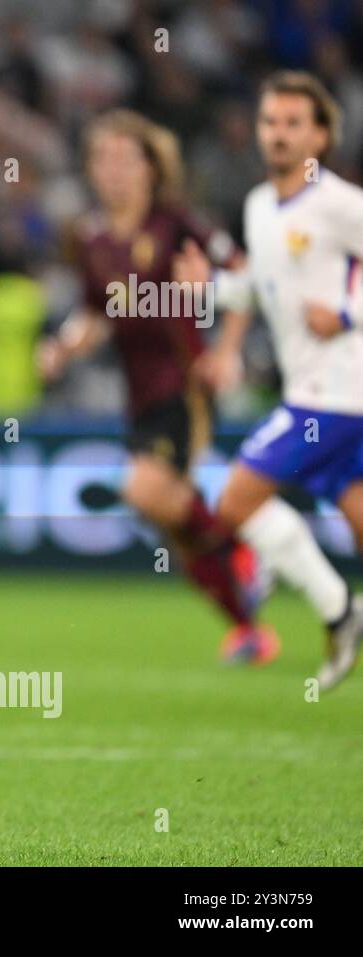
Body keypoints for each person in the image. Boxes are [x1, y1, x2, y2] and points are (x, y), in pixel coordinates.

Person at [38, 109, 281, 664]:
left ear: (151, 167)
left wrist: (224, 351)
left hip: (185, 383)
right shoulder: (91, 237)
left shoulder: (177, 223)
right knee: (174, 524)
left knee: (145, 491)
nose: (114, 171)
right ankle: (247, 627)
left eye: (126, 159)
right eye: (103, 159)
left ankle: (241, 549)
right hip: (139, 395)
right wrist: (64, 348)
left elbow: (243, 276)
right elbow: (95, 314)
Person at [175, 71, 363, 690]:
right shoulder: (260, 206)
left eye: (292, 124)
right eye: (269, 122)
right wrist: (211, 290)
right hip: (311, 391)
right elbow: (258, 287)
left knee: (235, 499)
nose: (278, 135)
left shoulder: (338, 204)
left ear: (321, 134)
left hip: (339, 394)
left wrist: (346, 313)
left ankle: (339, 610)